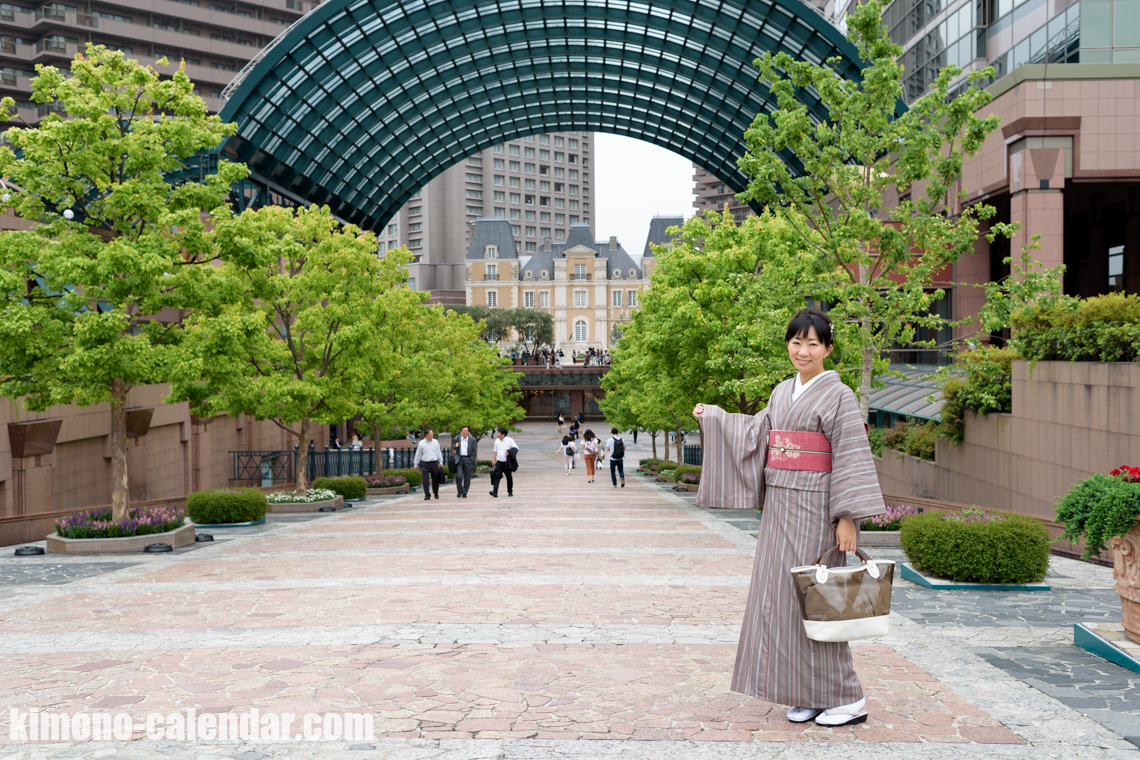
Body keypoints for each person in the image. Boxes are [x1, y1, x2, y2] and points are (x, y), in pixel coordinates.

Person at [692, 307, 884, 728]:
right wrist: (714, 417)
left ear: (828, 349)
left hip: (818, 509)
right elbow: (756, 434)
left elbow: (850, 455)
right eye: (797, 342)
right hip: (780, 506)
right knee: (781, 601)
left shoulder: (839, 395)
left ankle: (847, 696)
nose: (803, 351)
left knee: (818, 601)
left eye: (813, 343)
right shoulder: (781, 392)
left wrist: (846, 517)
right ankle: (807, 693)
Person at [413, 428, 443, 500]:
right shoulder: (421, 443)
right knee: (425, 479)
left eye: (432, 433)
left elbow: (438, 452)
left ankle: (436, 493)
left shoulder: (435, 442)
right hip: (425, 463)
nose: (432, 435)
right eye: (431, 434)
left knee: (435, 479)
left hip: (434, 462)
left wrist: (441, 461)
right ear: (426, 435)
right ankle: (427, 494)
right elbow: (418, 454)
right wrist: (415, 464)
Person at [489, 426, 518, 497]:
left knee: (509, 477)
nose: (497, 434)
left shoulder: (510, 440)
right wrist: (494, 460)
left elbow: (516, 448)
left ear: (503, 434)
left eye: (498, 433)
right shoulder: (496, 441)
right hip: (499, 462)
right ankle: (495, 491)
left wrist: (509, 451)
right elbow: (495, 451)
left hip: (507, 463)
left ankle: (510, 491)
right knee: (496, 476)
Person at [452, 425, 477, 498]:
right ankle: (459, 491)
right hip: (460, 459)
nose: (465, 432)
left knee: (467, 477)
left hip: (468, 459)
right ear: (461, 431)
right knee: (459, 476)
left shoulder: (473, 439)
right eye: (463, 430)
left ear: (468, 432)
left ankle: (464, 492)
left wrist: (472, 458)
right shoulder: (457, 438)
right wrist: (455, 446)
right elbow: (454, 447)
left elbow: (474, 451)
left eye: (466, 431)